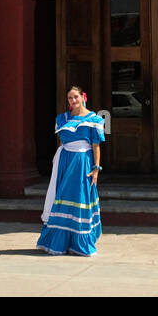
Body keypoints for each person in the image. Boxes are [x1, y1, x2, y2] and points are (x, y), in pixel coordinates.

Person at [36, 85, 106, 256]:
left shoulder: (94, 119)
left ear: (83, 96)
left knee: (79, 198)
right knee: (61, 198)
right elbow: (62, 143)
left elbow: (96, 146)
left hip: (82, 162)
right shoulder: (62, 118)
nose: (73, 100)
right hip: (64, 161)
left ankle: (78, 243)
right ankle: (59, 242)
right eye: (69, 98)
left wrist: (96, 169)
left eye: (75, 97)